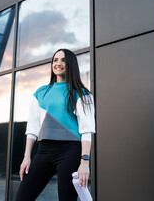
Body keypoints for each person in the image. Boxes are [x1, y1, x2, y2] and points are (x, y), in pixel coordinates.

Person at [15, 48, 96, 201]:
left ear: (71, 64)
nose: (58, 63)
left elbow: (87, 130)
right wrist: (27, 157)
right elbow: (32, 128)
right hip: (44, 151)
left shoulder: (82, 93)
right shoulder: (41, 93)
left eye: (63, 60)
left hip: (70, 151)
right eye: (55, 60)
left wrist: (85, 162)